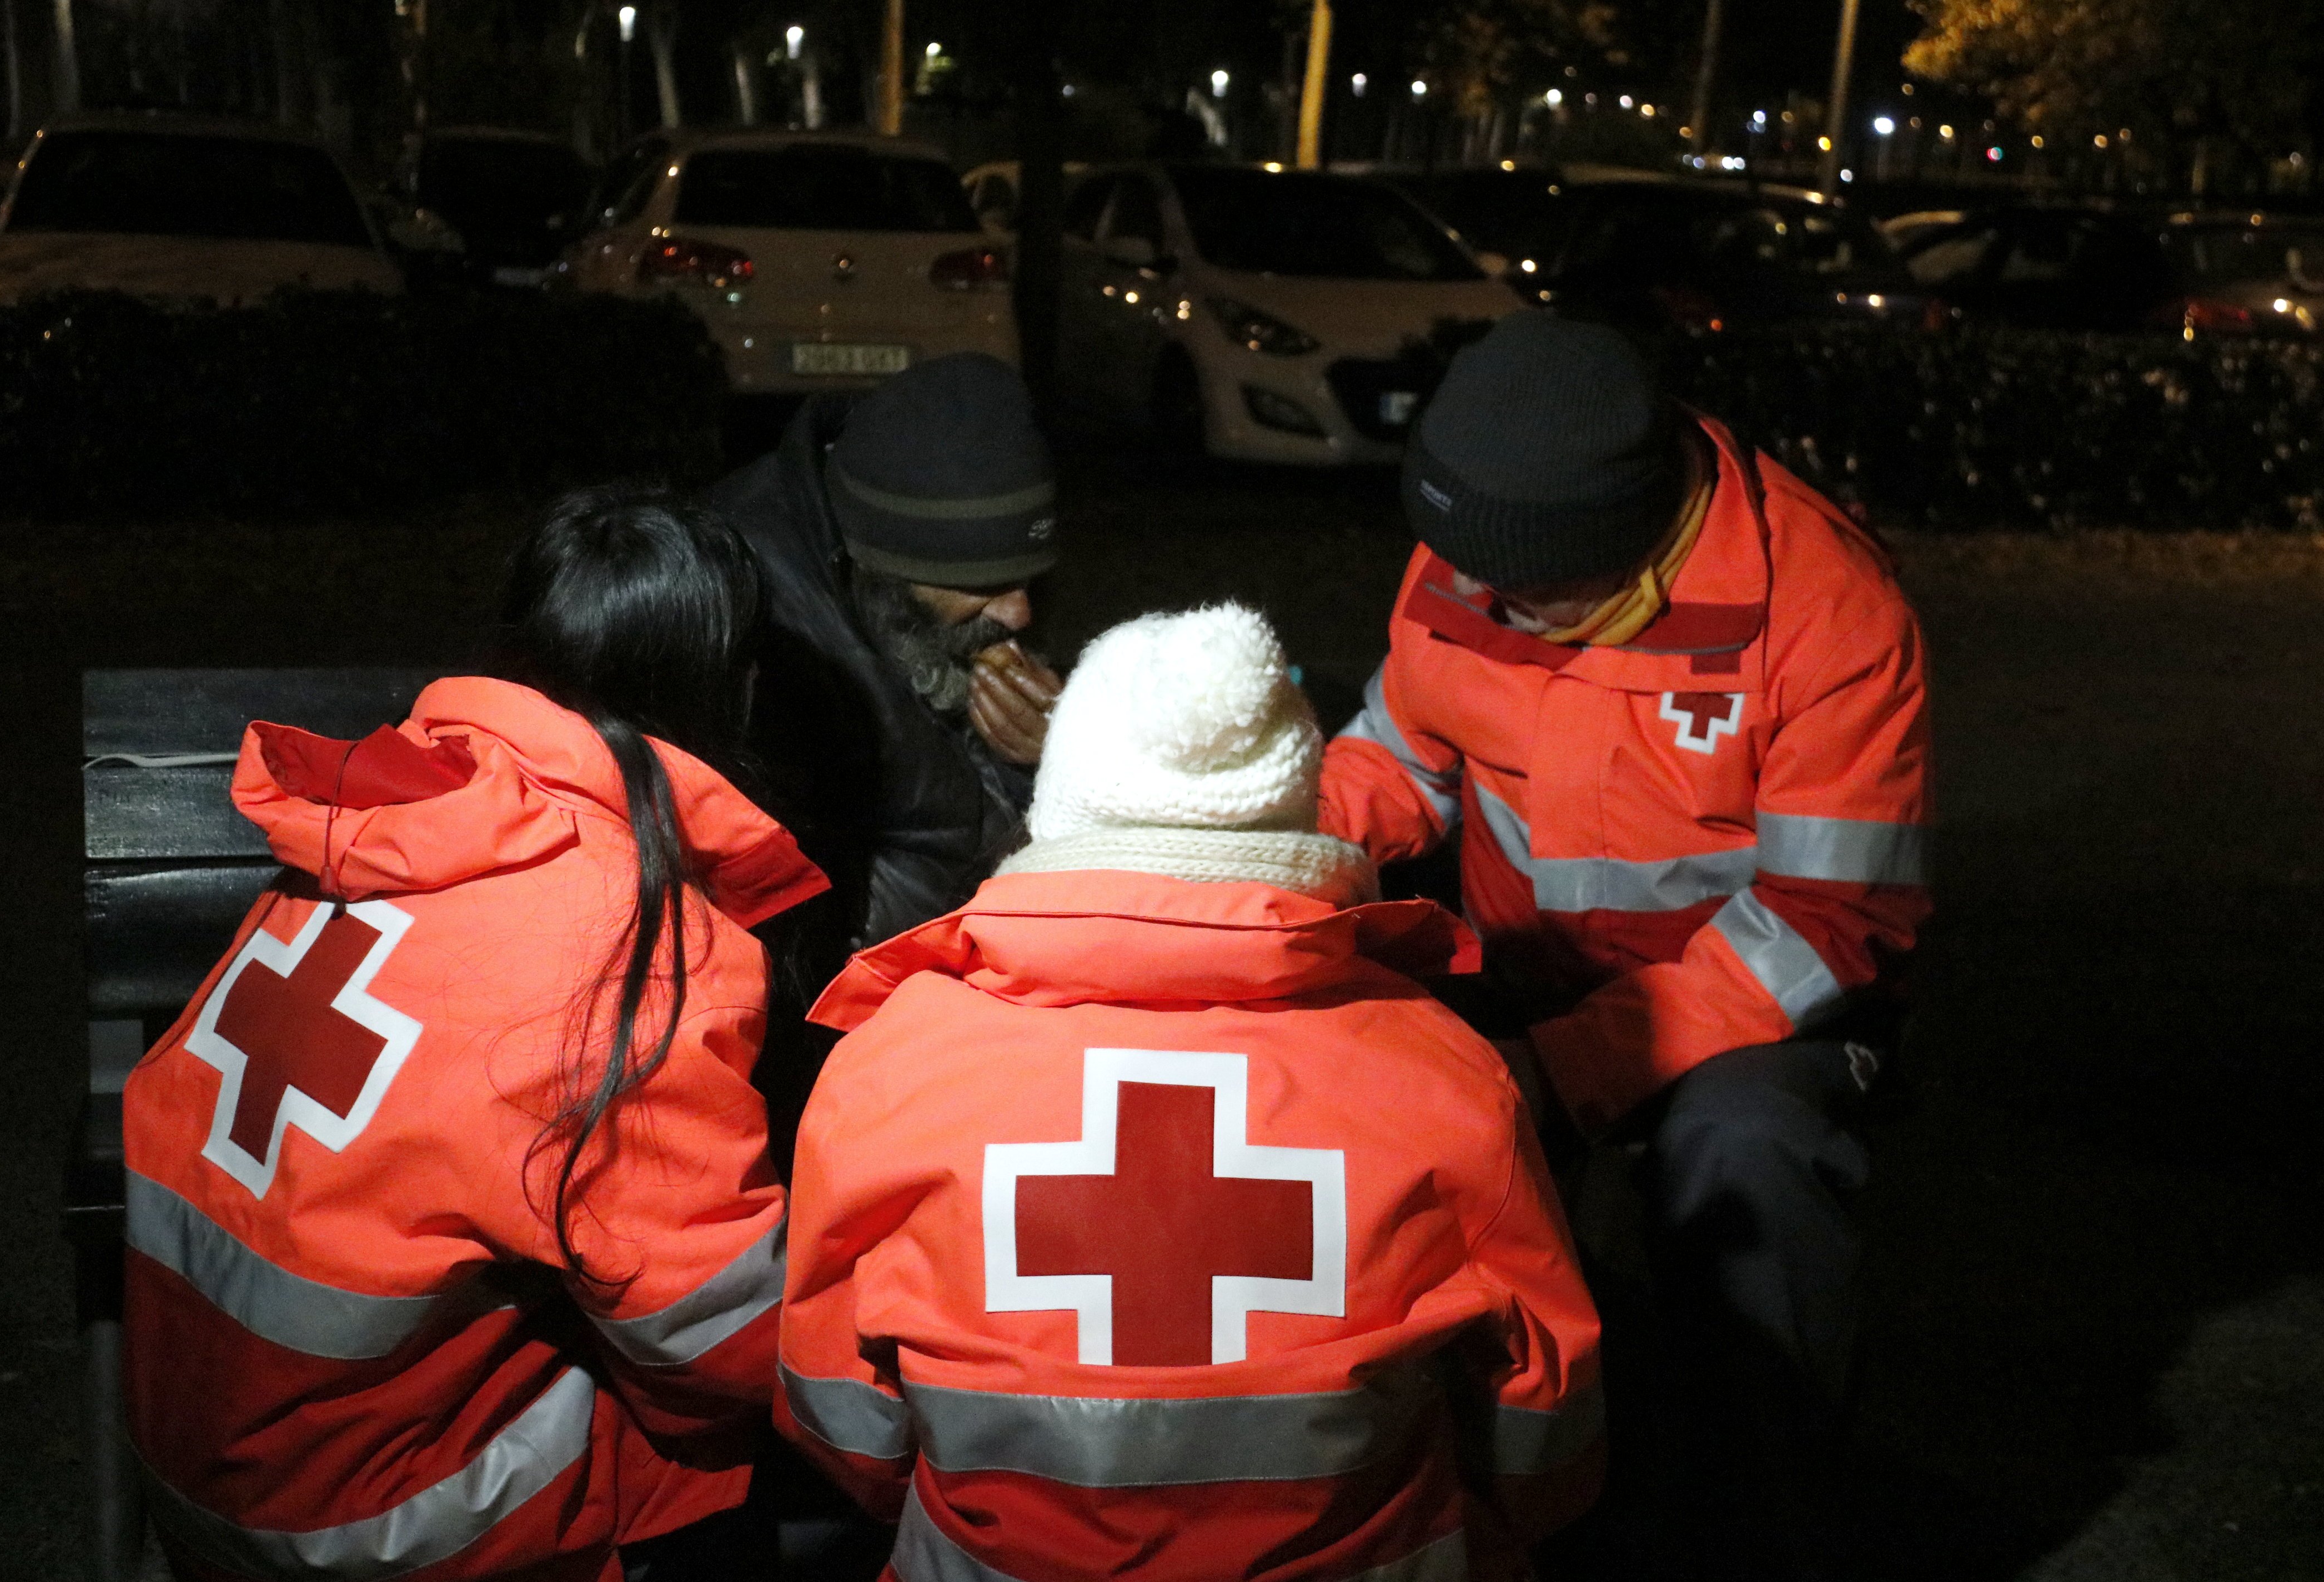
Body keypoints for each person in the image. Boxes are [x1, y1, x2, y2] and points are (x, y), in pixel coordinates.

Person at [777, 604, 1605, 1582]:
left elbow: (846, 1426)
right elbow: (1542, 1428)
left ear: (1062, 809)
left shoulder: (895, 1061)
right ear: (1297, 813)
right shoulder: (1440, 1067)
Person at [1317, 311, 1931, 1579]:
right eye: (1463, 570)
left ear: (1626, 541)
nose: (1478, 603)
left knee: (1741, 1159)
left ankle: (1769, 1519)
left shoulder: (1826, 614)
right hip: (1520, 967)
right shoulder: (1482, 544)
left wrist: (1568, 1066)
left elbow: (1831, 921)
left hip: (1754, 1009)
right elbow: (1399, 753)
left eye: (1524, 596)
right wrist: (1271, 856)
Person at [122, 488, 827, 1582]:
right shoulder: (628, 945)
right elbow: (719, 1341)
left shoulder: (388, 812)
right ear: (723, 684)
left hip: (192, 1446)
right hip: (374, 1518)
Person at [705, 353, 1066, 989]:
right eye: (984, 583)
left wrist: (1061, 757)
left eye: (1031, 578)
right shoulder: (751, 633)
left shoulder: (904, 609)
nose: (1019, 612)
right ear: (886, 568)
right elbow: (841, 939)